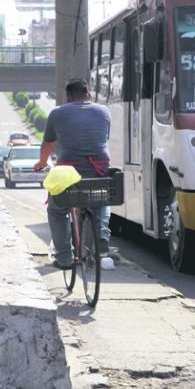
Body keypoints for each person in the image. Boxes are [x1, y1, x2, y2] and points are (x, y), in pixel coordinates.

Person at [34, 78, 112, 270]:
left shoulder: (58, 113)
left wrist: (42, 163)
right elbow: (103, 138)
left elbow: (48, 144)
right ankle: (102, 234)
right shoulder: (104, 111)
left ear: (68, 97)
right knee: (102, 199)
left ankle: (64, 258)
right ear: (89, 95)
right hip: (98, 170)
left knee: (56, 210)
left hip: (68, 172)